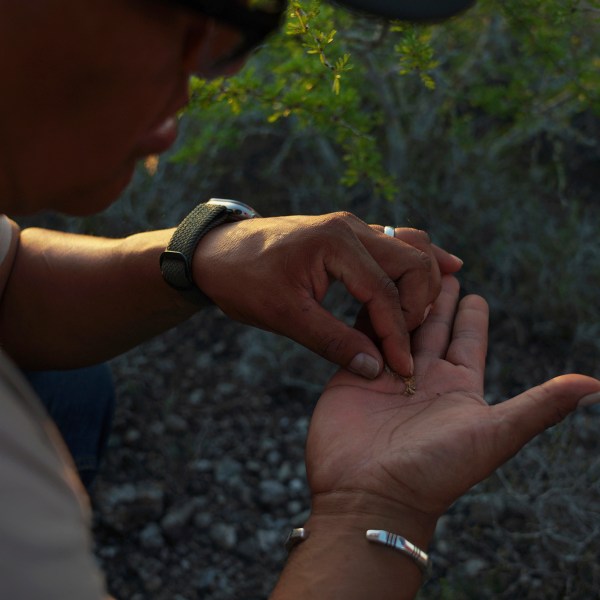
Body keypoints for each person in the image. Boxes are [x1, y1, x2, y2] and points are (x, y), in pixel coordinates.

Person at [0, 0, 598, 598]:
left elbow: (10, 280)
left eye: (246, 20)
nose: (217, 68)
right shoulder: (15, 498)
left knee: (76, 390)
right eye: (177, 9)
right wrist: (376, 508)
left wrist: (202, 252)